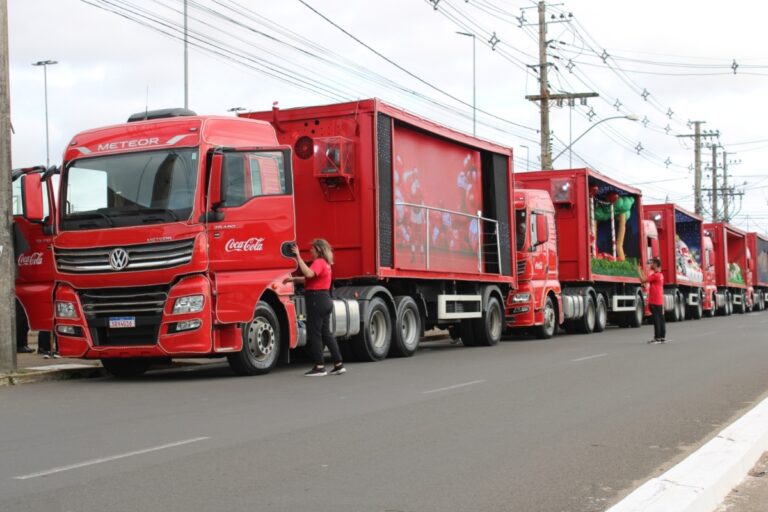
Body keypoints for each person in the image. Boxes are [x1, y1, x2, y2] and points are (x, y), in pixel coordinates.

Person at [284, 239, 345, 376]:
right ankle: (339, 364)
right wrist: (294, 280)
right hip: (325, 299)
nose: (310, 251)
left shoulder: (319, 262)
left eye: (312, 249)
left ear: (318, 249)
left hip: (316, 299)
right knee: (326, 333)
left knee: (315, 333)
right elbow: (310, 278)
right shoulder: (326, 264)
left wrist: (298, 256)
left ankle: (319, 367)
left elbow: (309, 274)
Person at [639, 257, 666, 343]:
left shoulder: (655, 275)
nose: (651, 265)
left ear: (656, 265)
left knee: (656, 319)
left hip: (654, 300)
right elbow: (647, 279)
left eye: (653, 264)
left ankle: (657, 337)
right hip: (659, 300)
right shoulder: (660, 275)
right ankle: (662, 336)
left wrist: (638, 271)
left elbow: (643, 280)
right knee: (661, 319)